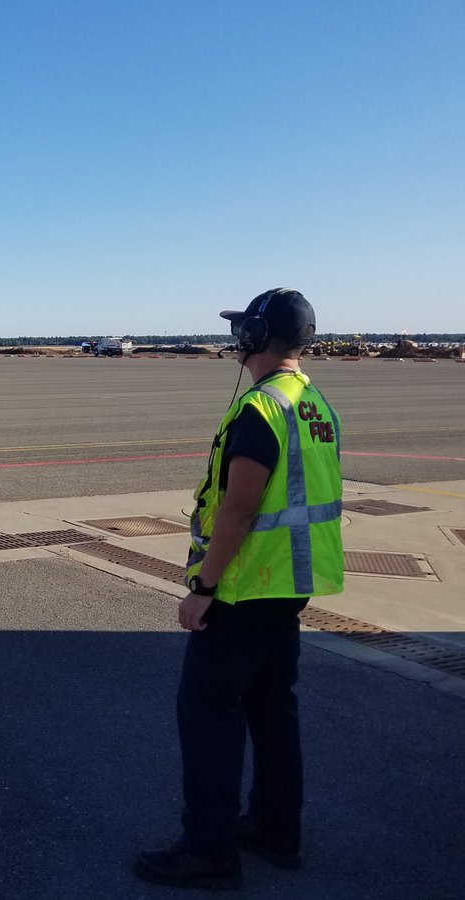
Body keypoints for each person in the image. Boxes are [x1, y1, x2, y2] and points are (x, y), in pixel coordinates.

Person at [134, 288, 344, 890]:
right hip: (290, 586)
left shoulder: (261, 410)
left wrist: (203, 585)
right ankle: (277, 830)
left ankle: (208, 848)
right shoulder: (313, 403)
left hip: (245, 587)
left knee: (207, 715)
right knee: (274, 712)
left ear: (254, 337)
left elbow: (241, 507)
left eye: (241, 329)